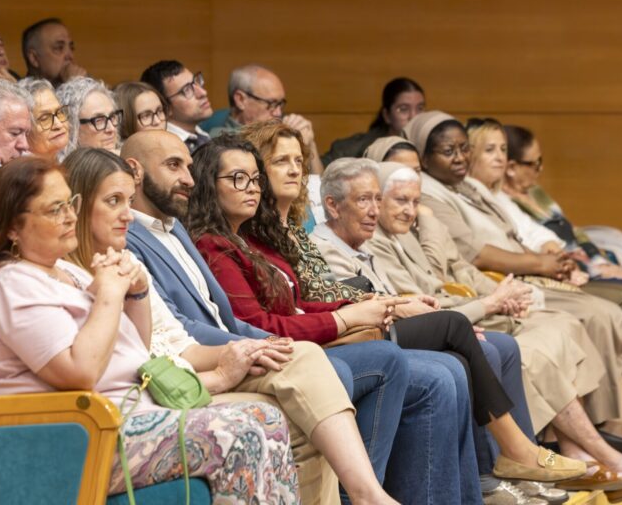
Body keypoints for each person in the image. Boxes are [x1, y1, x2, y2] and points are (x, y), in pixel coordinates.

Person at [245, 120, 579, 502]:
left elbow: (324, 295)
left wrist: (383, 301)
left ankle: (486, 483)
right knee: (449, 353)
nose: (294, 170)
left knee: (472, 352)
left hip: (353, 326)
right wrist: (383, 305)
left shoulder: (291, 231)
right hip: (331, 340)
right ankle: (508, 459)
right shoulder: (278, 237)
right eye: (280, 161)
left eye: (298, 161)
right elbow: (287, 311)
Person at [0, 156, 301, 503]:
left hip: (124, 418)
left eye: (70, 203)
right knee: (240, 435)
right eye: (54, 209)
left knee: (266, 418)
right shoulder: (10, 282)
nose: (71, 217)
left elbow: (134, 349)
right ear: (12, 226)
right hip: (70, 438)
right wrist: (109, 293)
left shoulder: (61, 270)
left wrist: (136, 293)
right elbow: (79, 372)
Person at [64, 147, 395, 504]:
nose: (128, 215)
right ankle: (368, 495)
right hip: (140, 397)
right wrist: (224, 369)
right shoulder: (65, 276)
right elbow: (133, 362)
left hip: (179, 368)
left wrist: (243, 350)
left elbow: (176, 340)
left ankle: (368, 494)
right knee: (290, 404)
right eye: (114, 201)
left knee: (306, 358)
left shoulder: (130, 258)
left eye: (128, 201)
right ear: (76, 207)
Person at [363, 160, 622, 500]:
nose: (412, 209)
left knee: (561, 328)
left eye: (417, 199)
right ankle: (588, 457)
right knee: (527, 349)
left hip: (467, 308)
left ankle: (586, 453)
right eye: (400, 200)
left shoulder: (415, 228)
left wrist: (499, 295)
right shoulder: (377, 240)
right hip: (453, 317)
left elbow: (450, 270)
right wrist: (490, 301)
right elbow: (427, 293)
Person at [405, 111, 622, 448]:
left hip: (508, 279)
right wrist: (535, 269)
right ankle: (603, 427)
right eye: (448, 151)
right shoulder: (428, 197)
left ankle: (621, 420)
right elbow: (473, 255)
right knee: (599, 316)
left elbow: (517, 230)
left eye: (463, 148)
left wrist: (551, 255)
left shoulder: (469, 186)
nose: (460, 158)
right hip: (497, 282)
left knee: (602, 313)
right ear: (424, 158)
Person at [502, 124, 622, 415]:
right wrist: (586, 267)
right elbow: (541, 248)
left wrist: (601, 262)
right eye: (533, 163)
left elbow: (575, 233)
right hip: (566, 273)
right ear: (512, 167)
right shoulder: (505, 203)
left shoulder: (538, 194)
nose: (539, 169)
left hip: (590, 265)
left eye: (541, 161)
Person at [210, 64, 323, 173]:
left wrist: (310, 145)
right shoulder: (218, 141)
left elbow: (320, 188)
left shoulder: (280, 126)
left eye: (280, 103)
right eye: (271, 103)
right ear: (240, 100)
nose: (278, 113)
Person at [322, 77, 425, 165]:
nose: (414, 116)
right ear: (387, 115)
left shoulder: (430, 146)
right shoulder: (350, 149)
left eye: (420, 108)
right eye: (403, 109)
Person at [140, 60, 212, 153]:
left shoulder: (204, 137)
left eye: (196, 81)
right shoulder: (166, 151)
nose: (203, 93)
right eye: (187, 90)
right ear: (165, 107)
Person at [56, 76, 119, 158]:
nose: (111, 129)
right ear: (71, 127)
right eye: (99, 120)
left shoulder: (129, 160)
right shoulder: (61, 170)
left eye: (112, 117)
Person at [21, 18, 85, 87]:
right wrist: (74, 85)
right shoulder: (20, 96)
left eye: (71, 48)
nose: (70, 56)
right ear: (34, 58)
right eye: (59, 48)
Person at [18, 77, 69, 161]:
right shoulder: (22, 172)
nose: (58, 124)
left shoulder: (69, 163)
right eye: (45, 119)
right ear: (24, 129)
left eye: (59, 112)